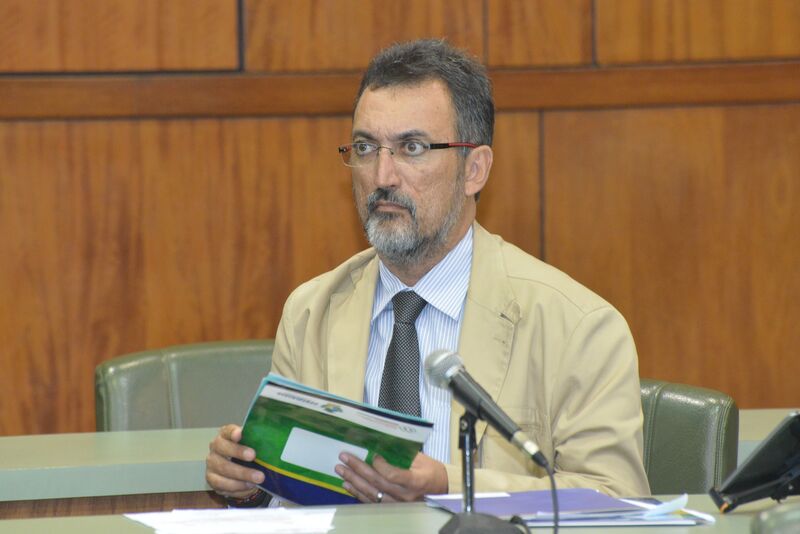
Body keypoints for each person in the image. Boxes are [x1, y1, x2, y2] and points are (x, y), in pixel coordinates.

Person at [206, 39, 650, 507]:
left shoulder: (578, 326)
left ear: (474, 169)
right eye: (366, 147)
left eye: (412, 147)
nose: (382, 176)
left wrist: (448, 487)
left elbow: (618, 500)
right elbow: (294, 492)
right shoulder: (311, 312)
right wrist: (252, 485)